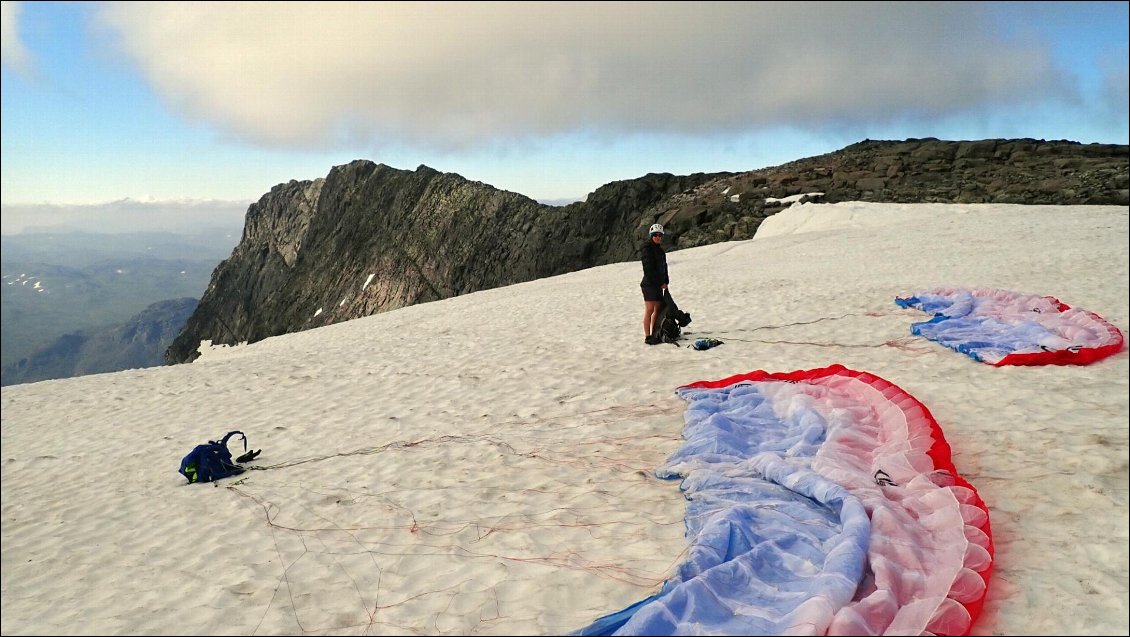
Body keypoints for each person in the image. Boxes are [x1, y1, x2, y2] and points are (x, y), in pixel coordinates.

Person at [640, 223, 669, 345]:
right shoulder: (647, 248)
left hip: (658, 285)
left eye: (660, 235)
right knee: (650, 310)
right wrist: (660, 282)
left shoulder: (660, 251)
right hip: (649, 285)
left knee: (658, 310)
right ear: (651, 236)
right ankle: (648, 336)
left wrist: (666, 281)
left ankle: (655, 333)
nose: (658, 237)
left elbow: (664, 267)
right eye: (656, 235)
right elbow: (648, 269)